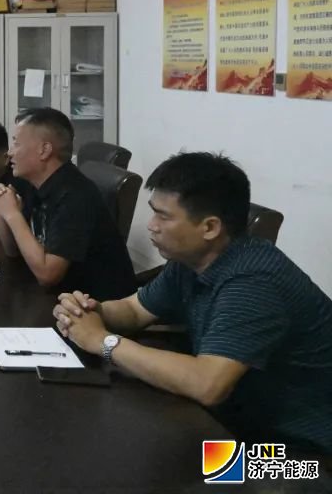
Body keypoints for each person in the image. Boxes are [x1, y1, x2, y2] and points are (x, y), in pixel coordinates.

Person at [54, 152, 332, 454]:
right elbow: (134, 310)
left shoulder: (254, 282)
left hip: (301, 454)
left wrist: (102, 341)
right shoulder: (191, 260)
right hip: (234, 421)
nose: (152, 226)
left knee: (178, 468)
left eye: (164, 216)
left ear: (210, 227)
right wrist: (89, 311)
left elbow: (207, 384)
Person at [0, 107, 136, 300]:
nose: (10, 152)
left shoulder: (75, 195)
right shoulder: (32, 181)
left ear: (44, 150)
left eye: (16, 144)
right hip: (58, 297)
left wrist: (12, 215)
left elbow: (48, 275)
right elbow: (12, 252)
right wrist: (3, 211)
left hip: (96, 306)